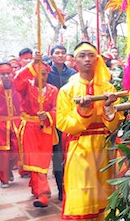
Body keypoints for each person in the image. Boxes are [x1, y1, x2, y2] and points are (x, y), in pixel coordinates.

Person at [57, 41, 123, 220]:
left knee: (106, 190)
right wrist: (83, 111)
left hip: (104, 147)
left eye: (91, 55)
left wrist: (109, 108)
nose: (87, 59)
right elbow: (62, 123)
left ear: (97, 59)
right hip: (80, 147)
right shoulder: (67, 91)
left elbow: (114, 125)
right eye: (82, 56)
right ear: (75, 61)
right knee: (82, 192)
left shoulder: (108, 89)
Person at [13, 52, 59, 207]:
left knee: (42, 162)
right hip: (29, 129)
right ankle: (43, 194)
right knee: (33, 161)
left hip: (45, 129)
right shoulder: (26, 87)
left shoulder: (54, 90)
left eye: (44, 74)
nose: (42, 77)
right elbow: (17, 80)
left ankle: (39, 190)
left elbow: (57, 109)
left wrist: (47, 115)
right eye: (38, 74)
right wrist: (33, 63)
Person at [46, 44, 76, 201]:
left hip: (70, 117)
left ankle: (71, 185)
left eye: (63, 53)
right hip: (53, 120)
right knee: (57, 156)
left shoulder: (72, 74)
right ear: (51, 56)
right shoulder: (46, 73)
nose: (60, 55)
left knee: (70, 154)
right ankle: (60, 188)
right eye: (57, 53)